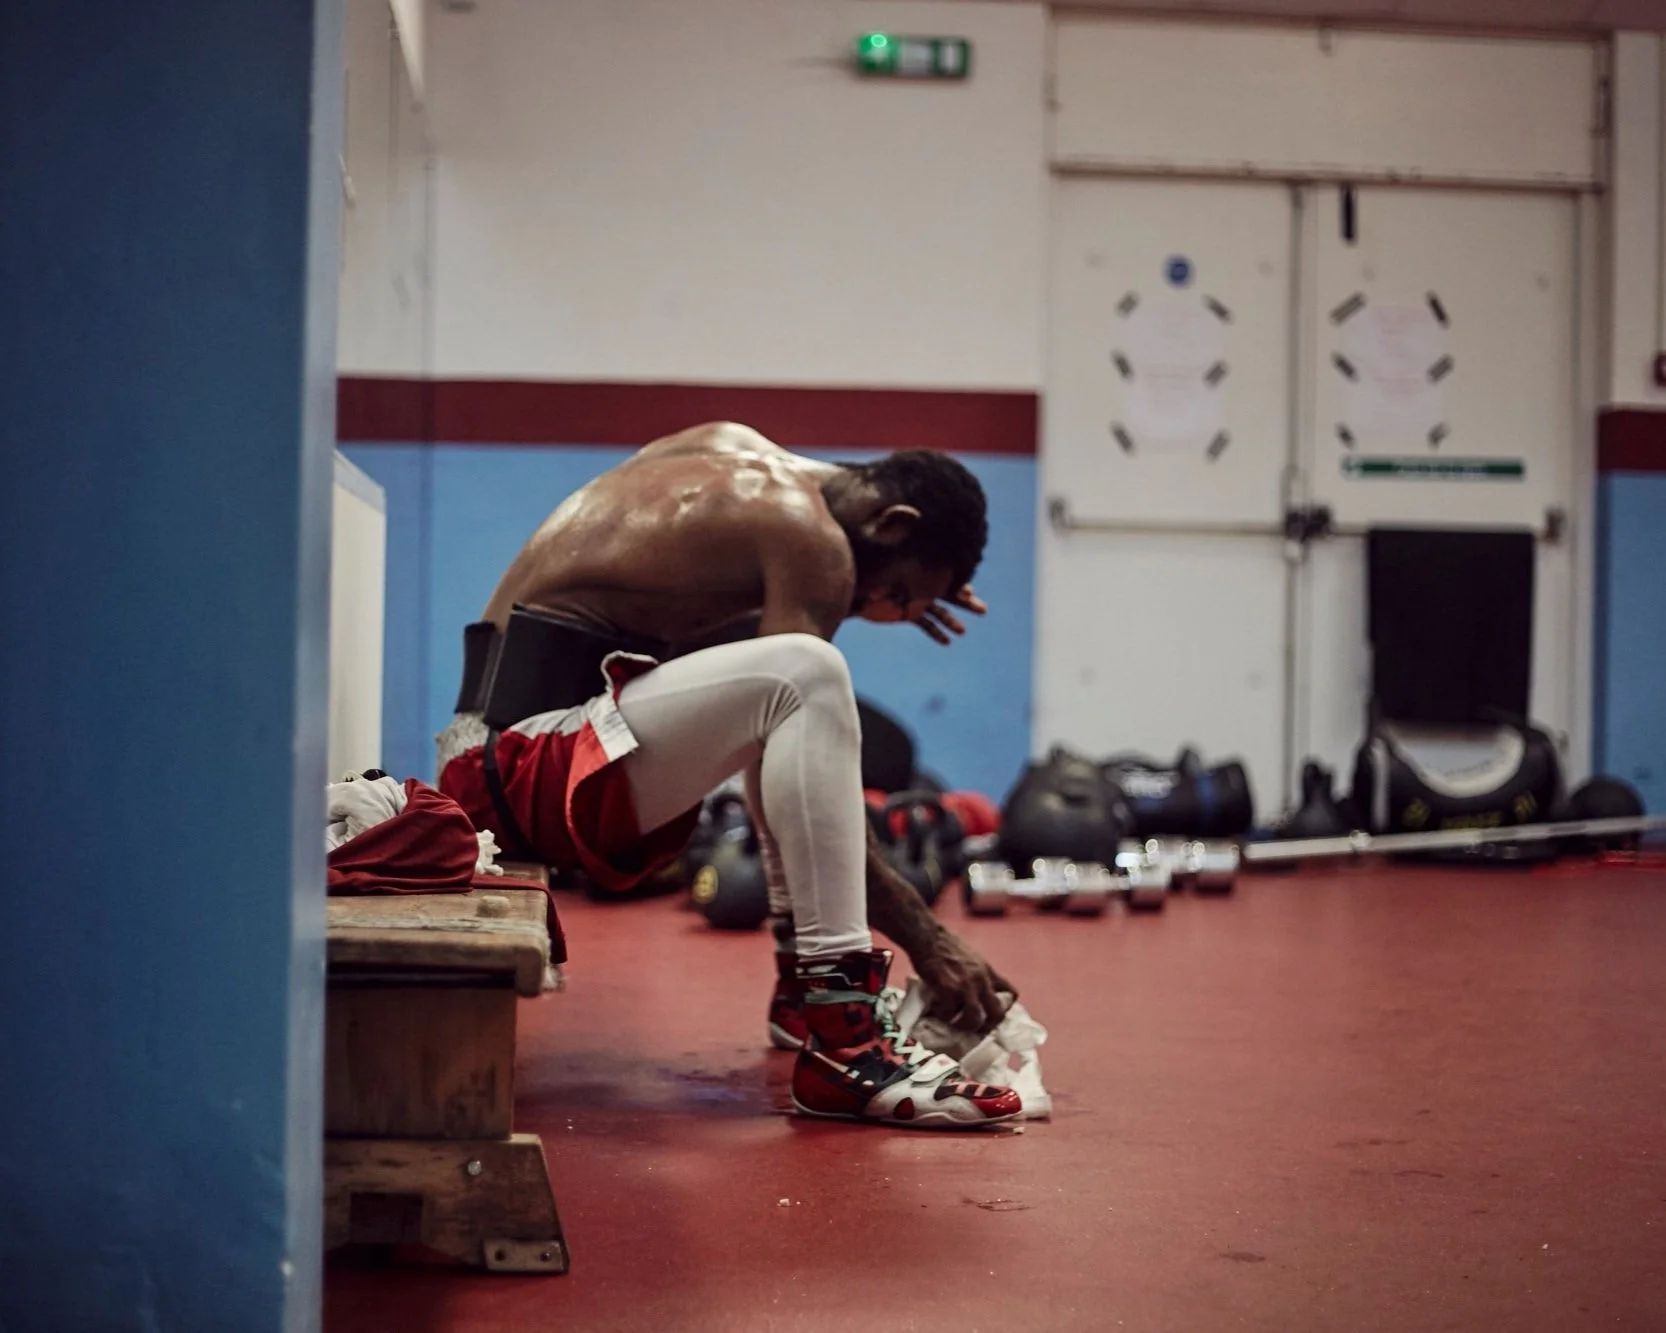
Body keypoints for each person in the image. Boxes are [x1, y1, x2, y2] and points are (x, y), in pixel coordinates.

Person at [438, 421, 1021, 1128]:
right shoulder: (815, 541)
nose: (883, 610)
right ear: (891, 523)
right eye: (896, 594)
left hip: (495, 755)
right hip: (518, 771)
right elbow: (798, 680)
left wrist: (897, 586)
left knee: (787, 689)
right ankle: (848, 1043)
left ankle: (806, 996)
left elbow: (755, 693)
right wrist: (930, 940)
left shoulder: (733, 452)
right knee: (810, 674)